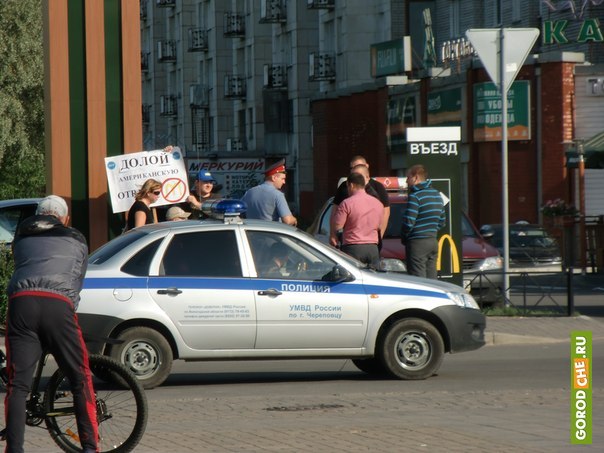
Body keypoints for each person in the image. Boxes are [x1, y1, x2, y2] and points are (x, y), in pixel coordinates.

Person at [4, 195, 98, 453]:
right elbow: (77, 281)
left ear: (38, 214)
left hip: (21, 304)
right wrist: (67, 311)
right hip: (58, 305)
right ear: (65, 218)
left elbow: (23, 265)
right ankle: (90, 448)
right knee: (80, 378)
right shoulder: (77, 238)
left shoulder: (21, 236)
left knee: (17, 385)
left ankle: (14, 450)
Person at [330, 155, 390, 245]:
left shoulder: (378, 187)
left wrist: (379, 236)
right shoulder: (344, 186)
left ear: (366, 167)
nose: (356, 170)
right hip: (350, 241)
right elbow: (335, 210)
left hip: (372, 241)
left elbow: (385, 213)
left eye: (359, 166)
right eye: (352, 168)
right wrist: (333, 234)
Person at [401, 164, 446, 279]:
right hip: (432, 241)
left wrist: (405, 236)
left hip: (417, 243)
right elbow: (442, 221)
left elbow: (408, 223)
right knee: (432, 280)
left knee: (419, 281)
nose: (406, 180)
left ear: (416, 177)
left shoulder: (415, 196)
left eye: (408, 177)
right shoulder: (437, 194)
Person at [330, 173, 384, 268]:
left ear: (351, 185)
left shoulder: (346, 203)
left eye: (347, 186)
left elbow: (337, 226)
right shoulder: (378, 203)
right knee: (374, 278)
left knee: (354, 279)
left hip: (353, 248)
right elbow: (379, 226)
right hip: (373, 248)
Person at [241, 159, 297, 226]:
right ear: (274, 178)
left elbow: (239, 214)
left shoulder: (249, 193)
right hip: (271, 235)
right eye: (283, 179)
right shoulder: (277, 195)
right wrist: (294, 220)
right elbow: (287, 221)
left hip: (252, 235)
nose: (284, 182)